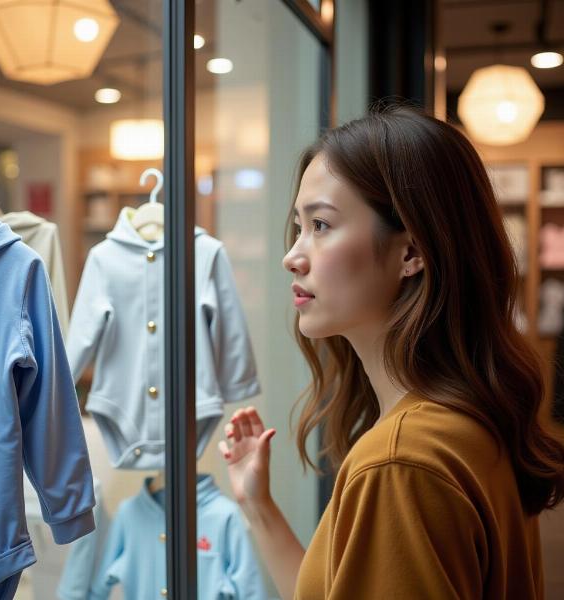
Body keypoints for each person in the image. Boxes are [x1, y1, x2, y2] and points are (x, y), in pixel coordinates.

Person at [217, 104, 564, 599]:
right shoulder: (463, 423)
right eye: (299, 226)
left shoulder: (401, 462)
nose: (291, 256)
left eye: (321, 225)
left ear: (411, 253)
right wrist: (258, 507)